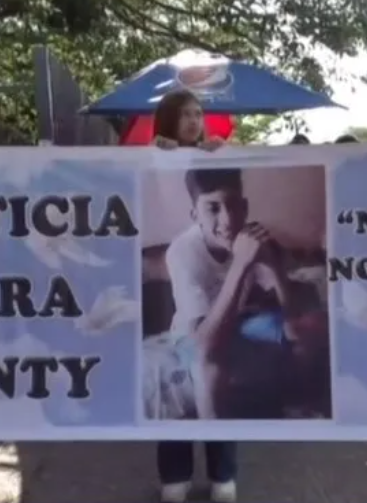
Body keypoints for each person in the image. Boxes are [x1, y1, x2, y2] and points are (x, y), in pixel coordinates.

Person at [150, 90, 235, 503]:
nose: (193, 121)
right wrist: (155, 152)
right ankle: (175, 477)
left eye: (198, 114)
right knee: (192, 379)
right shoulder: (153, 158)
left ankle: (224, 475)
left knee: (223, 385)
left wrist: (224, 149)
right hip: (191, 331)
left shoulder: (214, 157)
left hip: (227, 328)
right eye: (184, 114)